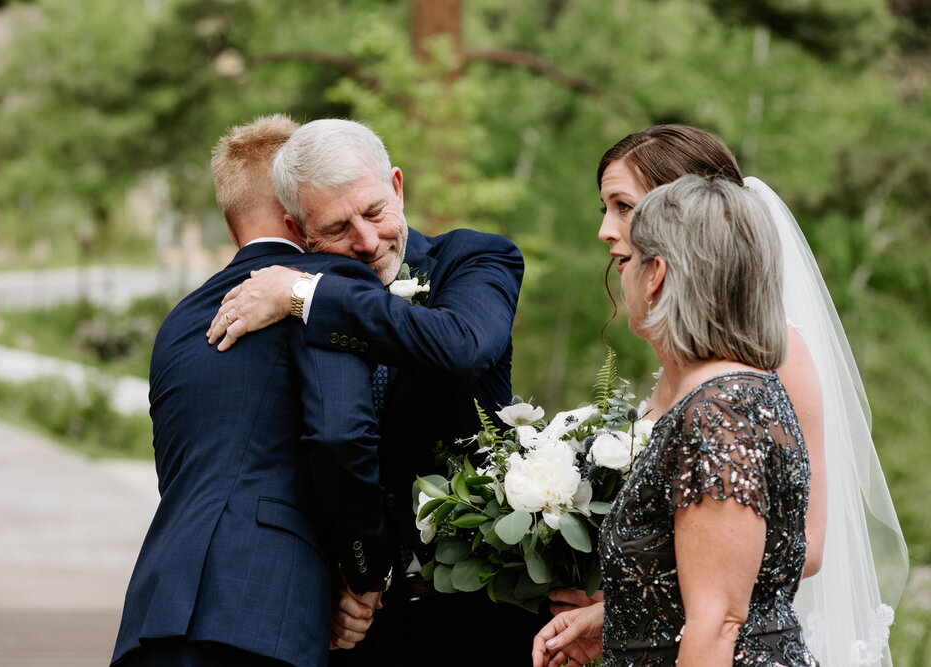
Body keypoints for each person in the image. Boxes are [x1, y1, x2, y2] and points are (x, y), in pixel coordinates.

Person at [549, 124, 908, 666]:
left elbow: (737, 599)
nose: (605, 231)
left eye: (625, 208)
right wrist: (623, 611)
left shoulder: (730, 395)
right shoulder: (706, 373)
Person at [204, 118, 536, 665]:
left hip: (479, 611)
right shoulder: (279, 305)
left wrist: (307, 295)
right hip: (351, 621)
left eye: (375, 211)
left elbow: (460, 348)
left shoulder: (476, 259)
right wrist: (349, 571)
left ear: (398, 187)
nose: (365, 240)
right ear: (297, 228)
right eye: (336, 228)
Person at [110, 115, 394, 667]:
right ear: (298, 210)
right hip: (263, 616)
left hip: (153, 616)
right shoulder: (322, 288)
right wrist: (366, 572)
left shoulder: (179, 322)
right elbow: (339, 435)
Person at [535, 175, 818, 665]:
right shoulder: (739, 393)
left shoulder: (719, 413)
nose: (619, 271)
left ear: (656, 275)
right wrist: (620, 622)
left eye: (629, 262)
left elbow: (718, 623)